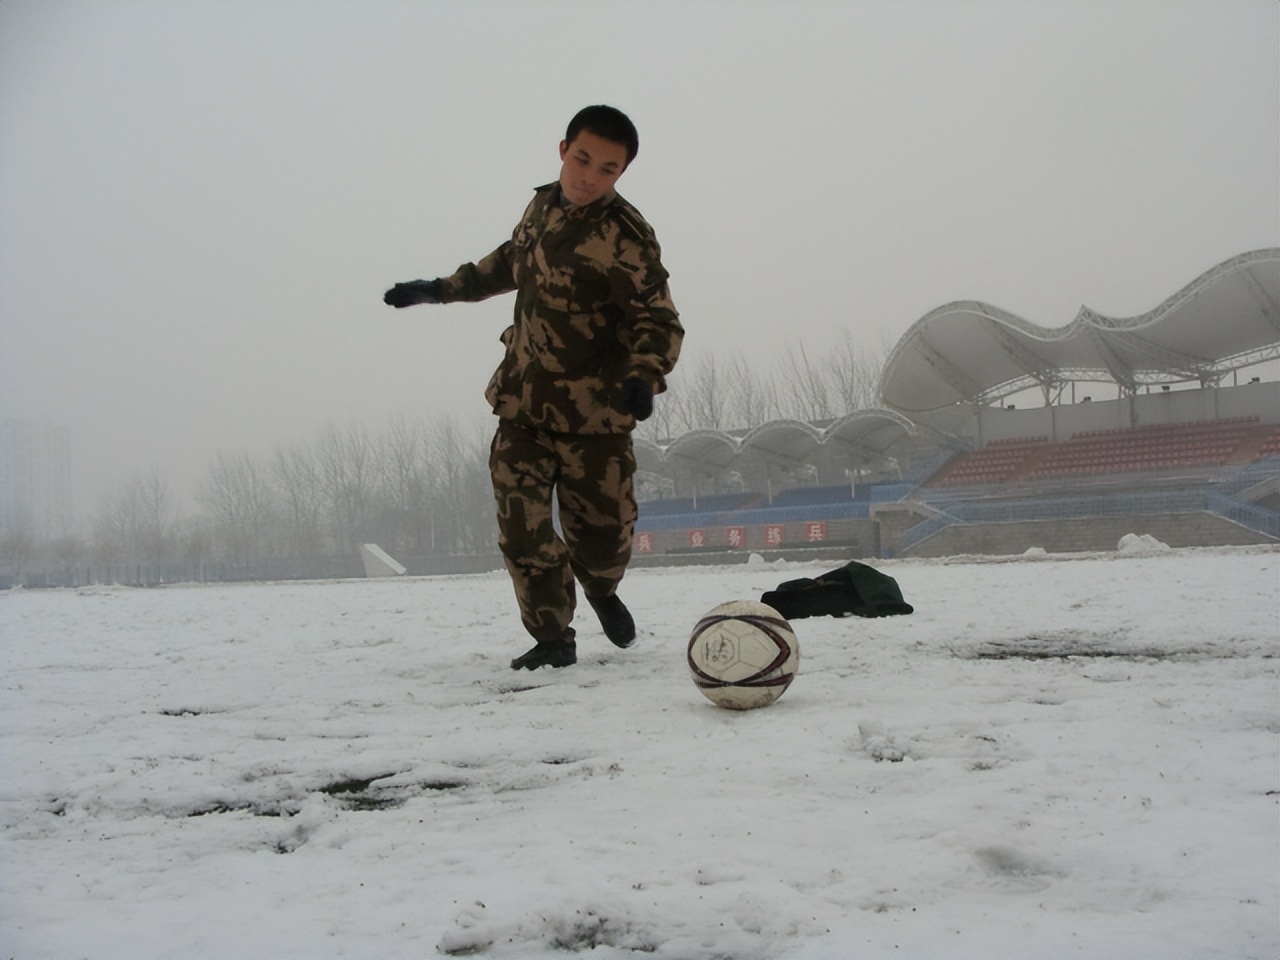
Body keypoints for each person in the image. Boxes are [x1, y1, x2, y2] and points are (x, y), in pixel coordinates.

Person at [384, 105, 683, 670]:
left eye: (608, 169)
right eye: (582, 159)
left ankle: (601, 588)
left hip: (595, 418)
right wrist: (438, 290)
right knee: (522, 530)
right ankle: (553, 638)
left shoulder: (627, 238)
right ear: (563, 150)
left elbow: (658, 319)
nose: (589, 177)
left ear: (622, 173)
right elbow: (509, 263)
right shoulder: (542, 206)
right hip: (523, 404)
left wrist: (644, 375)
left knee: (603, 538)